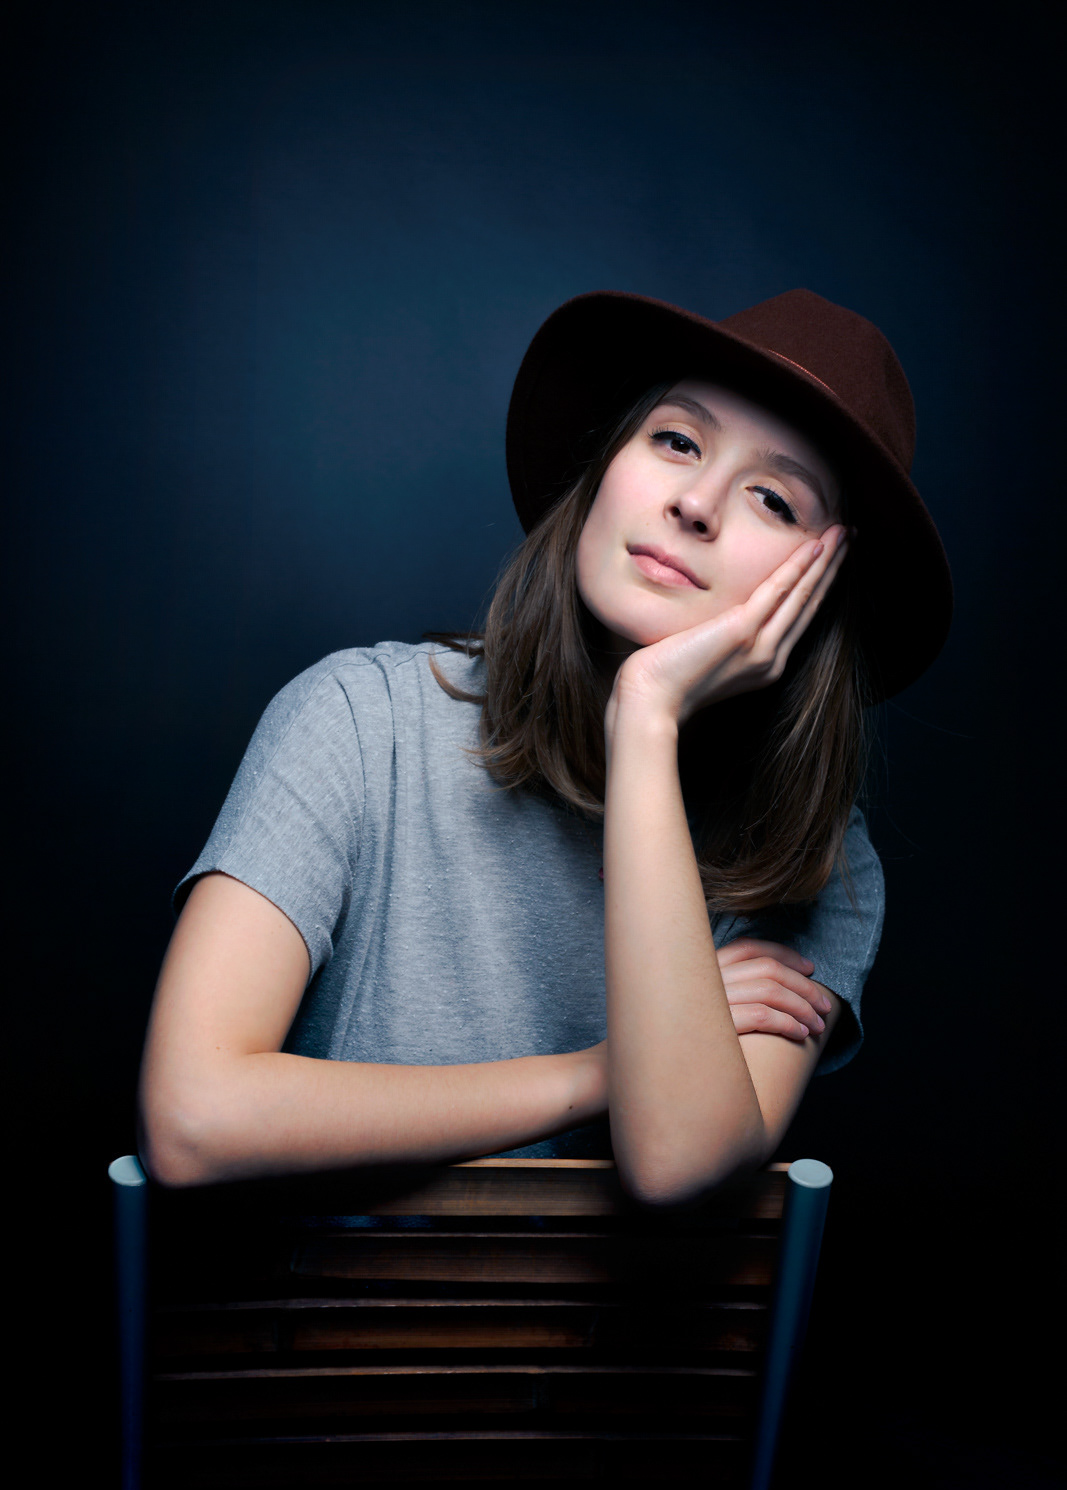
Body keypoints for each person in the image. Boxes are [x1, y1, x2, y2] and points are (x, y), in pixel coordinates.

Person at [137, 287, 952, 1204]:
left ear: (824, 590)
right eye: (675, 441)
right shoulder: (359, 719)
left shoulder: (823, 865)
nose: (694, 503)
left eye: (772, 498)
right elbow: (193, 1121)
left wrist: (645, 719)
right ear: (604, 469)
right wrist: (601, 1068)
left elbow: (676, 1162)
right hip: (320, 1303)